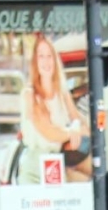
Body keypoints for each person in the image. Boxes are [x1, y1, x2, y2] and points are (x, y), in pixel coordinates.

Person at [14, 32, 89, 185]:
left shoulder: (62, 93)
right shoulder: (29, 95)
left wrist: (75, 127)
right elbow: (48, 132)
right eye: (41, 56)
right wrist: (72, 133)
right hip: (34, 170)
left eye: (49, 56)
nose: (46, 61)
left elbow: (80, 123)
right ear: (35, 61)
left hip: (58, 164)